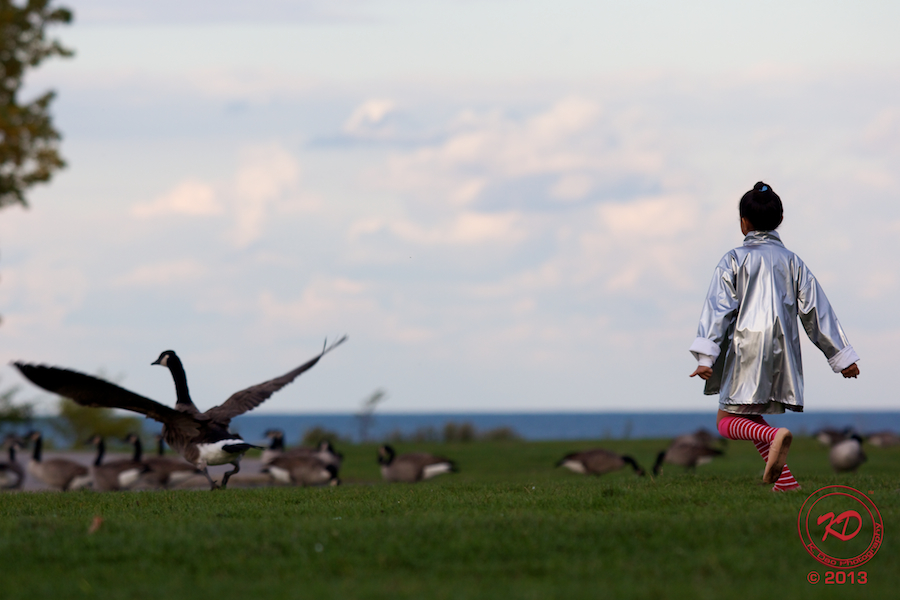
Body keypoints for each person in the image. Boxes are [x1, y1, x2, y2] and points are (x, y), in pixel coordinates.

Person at [688, 182, 860, 491]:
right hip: (782, 351)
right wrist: (841, 356)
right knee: (750, 415)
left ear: (743, 222)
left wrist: (706, 356)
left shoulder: (733, 259)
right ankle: (787, 484)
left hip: (744, 350)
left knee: (725, 421)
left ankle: (773, 435)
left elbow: (717, 309)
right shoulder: (793, 262)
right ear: (780, 220)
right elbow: (817, 310)